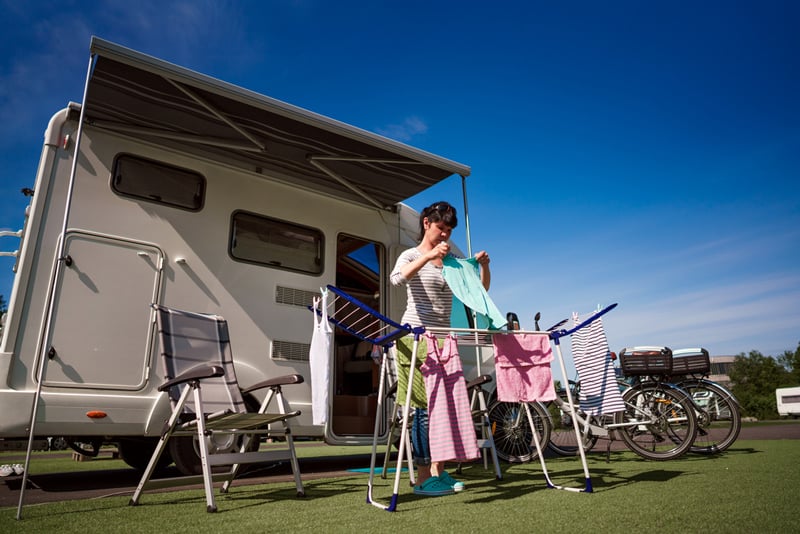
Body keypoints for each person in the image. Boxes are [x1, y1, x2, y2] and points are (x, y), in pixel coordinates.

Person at [389, 201, 491, 497]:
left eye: (448, 230)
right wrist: (429, 256)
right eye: (440, 228)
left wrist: (483, 267)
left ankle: (438, 472)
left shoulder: (451, 264)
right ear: (426, 223)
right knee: (422, 409)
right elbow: (397, 279)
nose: (444, 235)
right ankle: (421, 479)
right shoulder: (411, 255)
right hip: (416, 338)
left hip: (444, 341)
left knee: (443, 410)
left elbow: (479, 294)